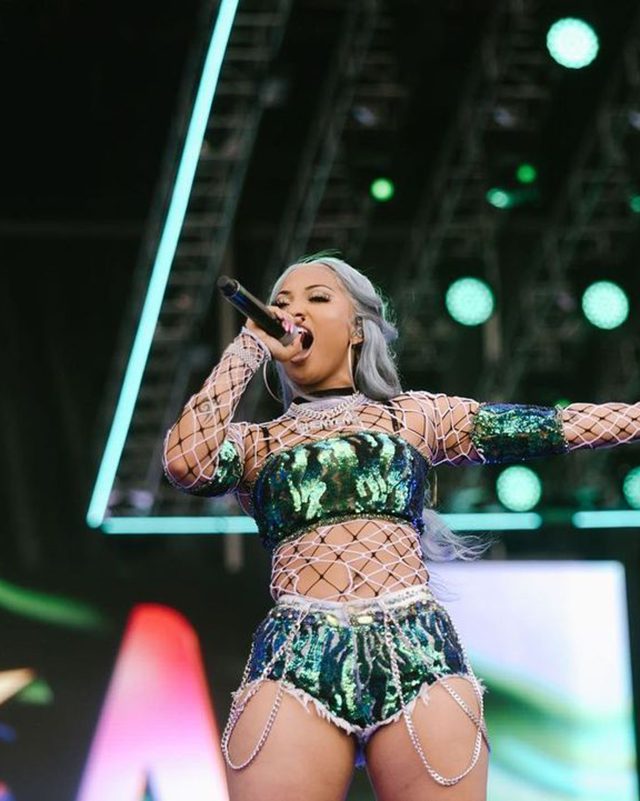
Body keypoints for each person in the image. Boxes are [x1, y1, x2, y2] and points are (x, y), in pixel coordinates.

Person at [162, 255, 640, 801]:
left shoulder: (412, 416)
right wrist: (248, 346)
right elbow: (185, 462)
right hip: (297, 652)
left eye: (318, 298)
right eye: (283, 303)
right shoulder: (257, 443)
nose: (294, 312)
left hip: (416, 646)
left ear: (357, 330)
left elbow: (549, 426)